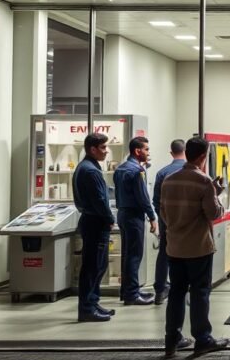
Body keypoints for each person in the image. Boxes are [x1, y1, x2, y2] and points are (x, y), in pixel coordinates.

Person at [160, 136, 229, 357]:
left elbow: (163, 213)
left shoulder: (168, 180)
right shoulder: (203, 181)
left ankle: (171, 340)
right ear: (202, 156)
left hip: (175, 248)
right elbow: (214, 213)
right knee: (200, 293)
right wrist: (216, 195)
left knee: (177, 294)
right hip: (198, 248)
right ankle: (203, 339)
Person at [72, 133, 115, 322]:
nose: (106, 151)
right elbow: (99, 199)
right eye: (103, 148)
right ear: (92, 149)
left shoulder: (88, 167)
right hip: (95, 222)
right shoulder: (90, 171)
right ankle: (87, 308)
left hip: (92, 220)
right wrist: (109, 217)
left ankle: (93, 302)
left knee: (99, 264)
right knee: (93, 266)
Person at [113, 136, 158, 305]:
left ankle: (127, 291)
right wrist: (152, 217)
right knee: (134, 255)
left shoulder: (120, 169)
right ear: (137, 151)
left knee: (127, 254)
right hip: (134, 216)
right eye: (146, 149)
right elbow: (143, 197)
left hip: (123, 213)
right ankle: (132, 294)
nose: (148, 152)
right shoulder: (136, 171)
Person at [152, 139, 187, 305]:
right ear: (185, 151)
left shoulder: (162, 173)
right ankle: (186, 290)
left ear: (171, 153)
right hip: (189, 222)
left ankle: (160, 291)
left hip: (168, 220)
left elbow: (156, 200)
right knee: (189, 254)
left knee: (164, 253)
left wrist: (164, 218)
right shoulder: (195, 172)